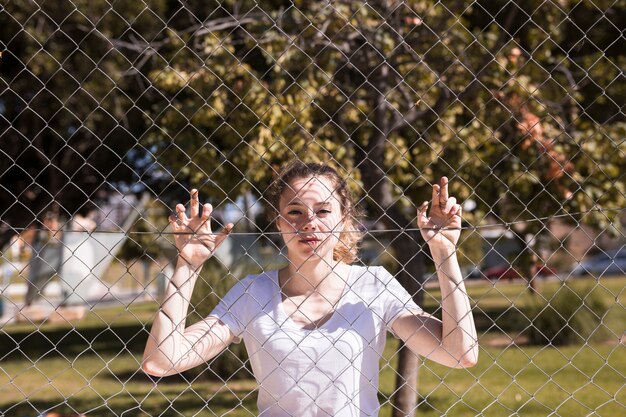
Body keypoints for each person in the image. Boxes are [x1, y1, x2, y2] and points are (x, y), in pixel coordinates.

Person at [142, 161, 478, 416]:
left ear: (345, 219)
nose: (309, 223)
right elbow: (162, 361)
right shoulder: (252, 293)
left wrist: (443, 251)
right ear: (277, 221)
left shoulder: (374, 285)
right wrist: (187, 264)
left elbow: (460, 352)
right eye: (295, 211)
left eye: (322, 211)